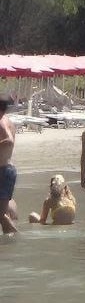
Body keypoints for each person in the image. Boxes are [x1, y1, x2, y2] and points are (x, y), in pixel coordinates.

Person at [0, 94, 17, 234]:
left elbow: (9, 140)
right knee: (3, 213)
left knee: (1, 215)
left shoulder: (1, 121)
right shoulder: (8, 120)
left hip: (3, 170)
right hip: (7, 169)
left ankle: (16, 237)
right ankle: (10, 238)